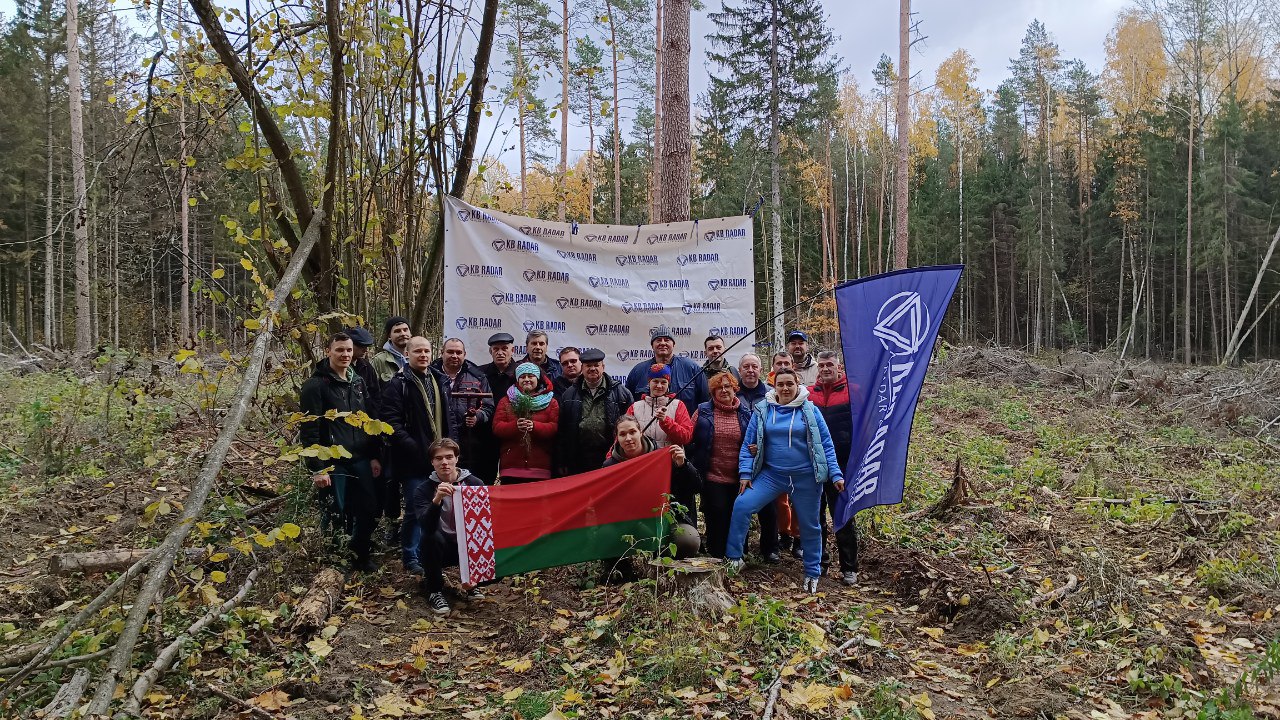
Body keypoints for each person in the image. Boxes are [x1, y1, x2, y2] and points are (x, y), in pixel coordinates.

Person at [726, 369, 845, 594]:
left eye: (790, 383)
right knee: (742, 505)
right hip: (772, 475)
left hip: (805, 477)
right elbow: (748, 443)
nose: (785, 388)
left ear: (797, 384)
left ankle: (812, 570)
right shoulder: (763, 409)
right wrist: (745, 473)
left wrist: (836, 474)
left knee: (810, 525)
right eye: (780, 384)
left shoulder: (810, 410)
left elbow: (825, 445)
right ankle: (734, 558)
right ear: (774, 386)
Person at [299, 332, 382, 571]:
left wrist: (375, 455)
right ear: (328, 351)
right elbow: (309, 431)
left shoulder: (357, 381)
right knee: (336, 511)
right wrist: (317, 468)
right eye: (339, 350)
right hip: (332, 461)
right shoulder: (316, 385)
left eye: (348, 350)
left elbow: (368, 420)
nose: (345, 355)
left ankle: (360, 555)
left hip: (361, 457)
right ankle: (337, 562)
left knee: (368, 507)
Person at [381, 336, 453, 575]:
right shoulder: (398, 384)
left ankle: (429, 553)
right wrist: (417, 448)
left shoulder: (439, 380)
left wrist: (452, 449)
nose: (423, 355)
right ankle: (410, 556)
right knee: (414, 509)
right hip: (413, 460)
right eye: (418, 351)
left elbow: (448, 417)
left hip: (440, 458)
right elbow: (391, 424)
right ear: (408, 355)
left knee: (439, 508)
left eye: (427, 351)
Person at [599, 416, 702, 581]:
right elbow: (605, 503)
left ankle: (666, 569)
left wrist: (683, 465)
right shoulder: (610, 466)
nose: (629, 438)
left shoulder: (662, 456)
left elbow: (695, 486)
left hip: (665, 518)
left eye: (633, 432)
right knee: (603, 533)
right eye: (623, 434)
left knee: (689, 539)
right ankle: (622, 572)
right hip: (627, 521)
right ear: (617, 438)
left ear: (641, 432)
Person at [690, 371, 773, 560]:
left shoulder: (746, 413)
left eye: (728, 386)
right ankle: (717, 555)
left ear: (735, 389)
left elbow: (756, 439)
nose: (724, 390)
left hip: (740, 476)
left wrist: (756, 449)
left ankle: (738, 555)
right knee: (717, 512)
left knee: (738, 513)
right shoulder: (702, 411)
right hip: (712, 475)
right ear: (712, 392)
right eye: (719, 388)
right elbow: (688, 436)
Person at [411, 439, 487, 615]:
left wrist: (474, 572)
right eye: (439, 458)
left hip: (468, 545)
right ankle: (435, 590)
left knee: (494, 552)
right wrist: (437, 500)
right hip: (441, 547)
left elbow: (485, 523)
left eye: (449, 457)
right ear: (432, 462)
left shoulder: (475, 483)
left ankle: (472, 583)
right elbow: (426, 526)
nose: (444, 462)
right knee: (430, 537)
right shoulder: (423, 490)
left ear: (457, 459)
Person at [809, 350, 859, 585]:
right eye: (821, 365)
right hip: (814, 467)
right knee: (815, 517)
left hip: (843, 465)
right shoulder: (809, 395)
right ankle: (820, 562)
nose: (825, 369)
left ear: (839, 367)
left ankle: (849, 567)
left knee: (843, 517)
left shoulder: (853, 392)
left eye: (830, 365)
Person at [556, 348, 633, 476]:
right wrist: (561, 461)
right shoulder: (568, 395)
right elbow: (562, 432)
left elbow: (631, 427)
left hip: (611, 457)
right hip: (578, 459)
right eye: (588, 366)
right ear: (582, 367)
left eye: (596, 365)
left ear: (603, 367)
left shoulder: (621, 393)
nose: (592, 369)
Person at [431, 338, 494, 478]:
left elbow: (488, 406)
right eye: (450, 352)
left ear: (464, 354)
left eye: (458, 352)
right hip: (439, 441)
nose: (454, 356)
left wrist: (477, 416)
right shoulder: (430, 375)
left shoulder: (477, 376)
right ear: (442, 353)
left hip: (469, 444)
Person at [492, 362, 560, 483]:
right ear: (518, 380)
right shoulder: (506, 401)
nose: (527, 379)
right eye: (523, 377)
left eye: (530, 376)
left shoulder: (551, 402)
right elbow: (497, 427)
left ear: (538, 378)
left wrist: (535, 426)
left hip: (540, 467)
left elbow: (555, 427)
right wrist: (515, 426)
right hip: (511, 467)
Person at [625, 325, 708, 414]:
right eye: (658, 340)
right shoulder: (638, 371)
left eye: (667, 340)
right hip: (646, 426)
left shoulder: (691, 368)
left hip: (684, 426)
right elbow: (629, 404)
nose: (663, 343)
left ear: (673, 344)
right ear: (652, 346)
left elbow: (705, 401)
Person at [627, 363, 694, 449]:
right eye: (655, 381)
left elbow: (686, 437)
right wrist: (611, 457)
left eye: (663, 382)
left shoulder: (678, 405)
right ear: (649, 382)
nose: (659, 386)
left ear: (668, 384)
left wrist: (666, 421)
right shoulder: (635, 407)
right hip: (643, 459)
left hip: (669, 458)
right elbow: (623, 435)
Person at [372, 316, 414, 382]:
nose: (403, 334)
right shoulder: (379, 360)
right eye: (397, 331)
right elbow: (372, 390)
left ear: (410, 333)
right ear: (389, 336)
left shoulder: (419, 356)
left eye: (405, 330)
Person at [479, 332, 517, 400]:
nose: (500, 353)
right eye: (496, 349)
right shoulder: (480, 372)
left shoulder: (521, 373)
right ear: (491, 351)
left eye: (504, 348)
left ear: (512, 350)